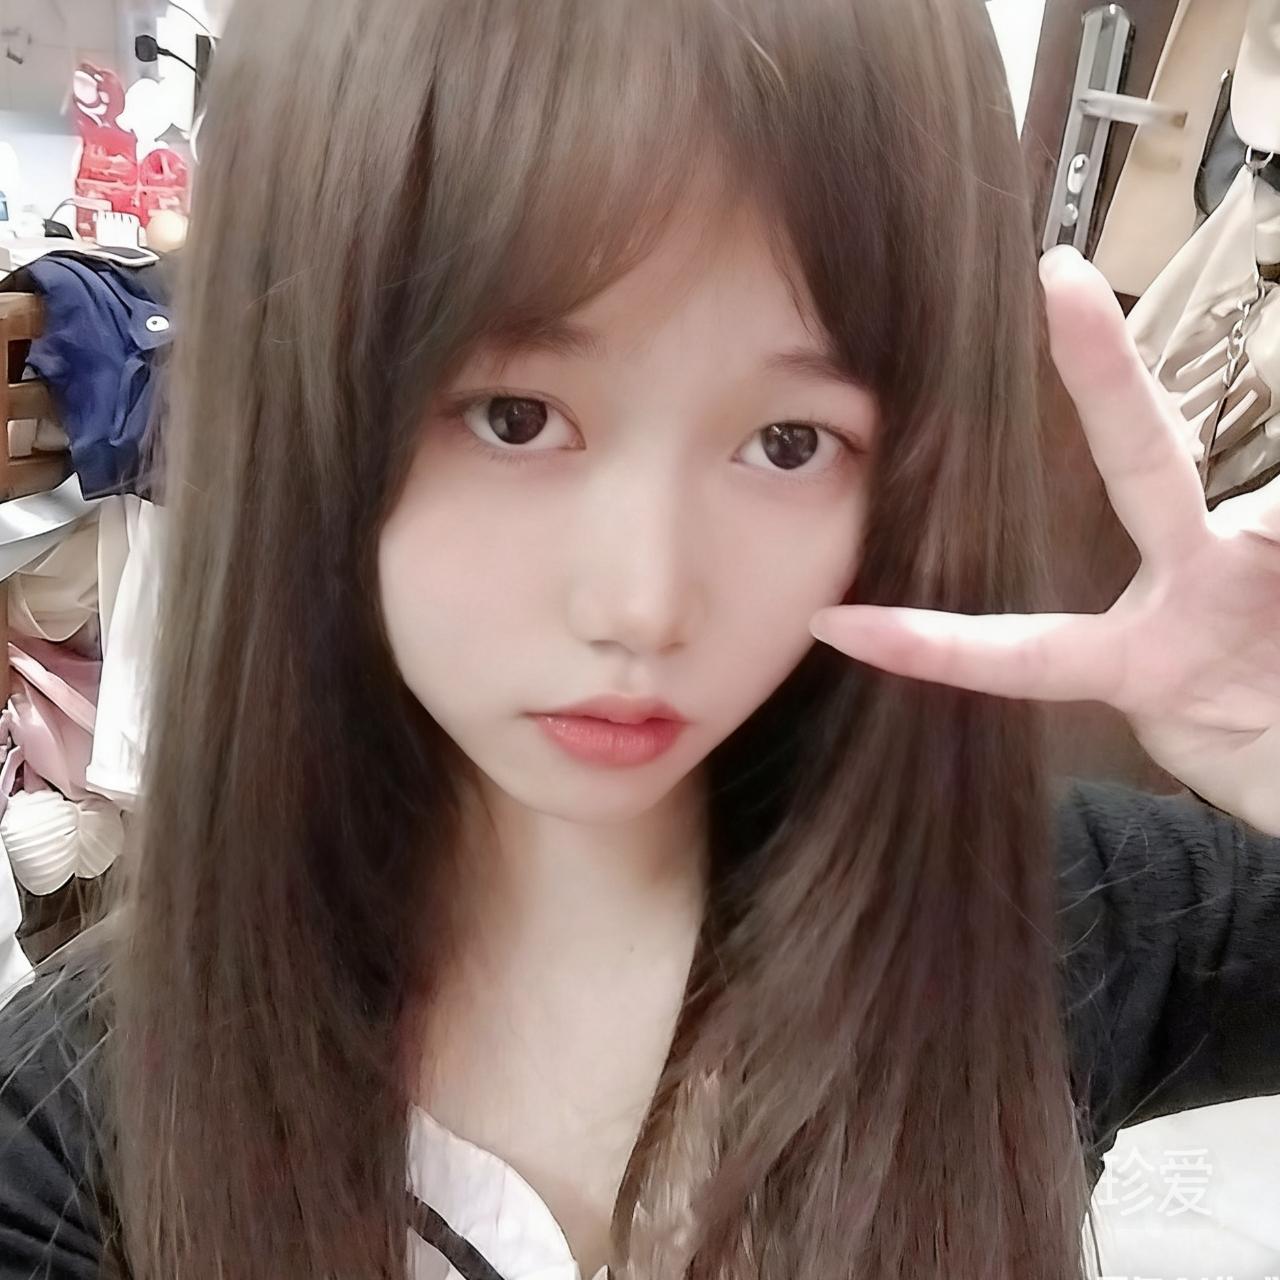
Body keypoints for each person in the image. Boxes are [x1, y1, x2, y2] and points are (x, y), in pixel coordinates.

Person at [1, 1, 1279, 1278]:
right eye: (514, 416)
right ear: (300, 396)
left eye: (787, 441)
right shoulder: (72, 1129)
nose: (644, 602)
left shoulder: (1028, 914)